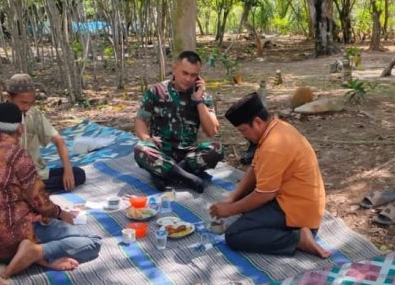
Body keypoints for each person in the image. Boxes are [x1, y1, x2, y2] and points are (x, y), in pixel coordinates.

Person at [0, 102, 101, 279]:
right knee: (92, 241)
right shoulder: (18, 155)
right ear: (20, 129)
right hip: (19, 238)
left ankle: (33, 254)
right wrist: (61, 213)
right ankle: (36, 253)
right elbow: (41, 202)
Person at [210, 93, 330, 259]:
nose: (243, 136)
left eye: (243, 130)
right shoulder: (276, 128)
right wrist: (232, 199)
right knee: (244, 203)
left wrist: (229, 210)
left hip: (298, 211)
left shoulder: (273, 145)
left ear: (257, 122)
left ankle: (297, 239)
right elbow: (255, 168)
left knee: (234, 235)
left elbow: (264, 195)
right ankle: (291, 231)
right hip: (291, 201)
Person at [133, 51, 222, 193]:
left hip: (188, 154)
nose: (188, 79)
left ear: (199, 76)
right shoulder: (156, 91)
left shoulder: (202, 97)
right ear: (174, 69)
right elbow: (140, 121)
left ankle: (165, 174)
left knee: (216, 150)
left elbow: (212, 131)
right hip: (161, 151)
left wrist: (199, 101)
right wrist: (147, 139)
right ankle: (187, 177)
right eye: (185, 73)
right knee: (141, 148)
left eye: (193, 75)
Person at [5, 74, 86, 193]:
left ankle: (31, 191)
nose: (26, 107)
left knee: (78, 174)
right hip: (11, 178)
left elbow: (58, 140)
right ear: (9, 97)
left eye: (30, 103)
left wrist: (68, 171)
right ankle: (28, 192)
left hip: (36, 173)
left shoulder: (33, 114)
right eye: (23, 102)